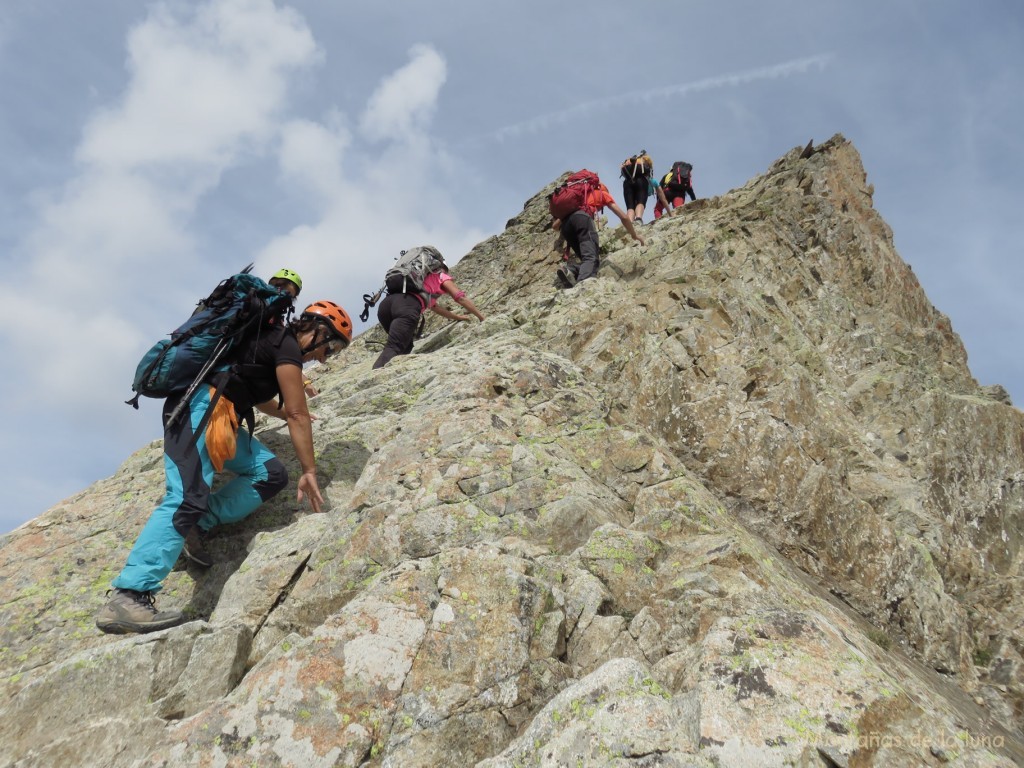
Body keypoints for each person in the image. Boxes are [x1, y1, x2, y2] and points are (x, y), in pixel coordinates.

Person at [96, 290, 353, 635]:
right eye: (331, 346)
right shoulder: (287, 346)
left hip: (221, 418)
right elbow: (294, 412)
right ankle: (128, 596)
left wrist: (301, 414)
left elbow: (263, 401)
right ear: (318, 330)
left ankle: (197, 523)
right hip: (198, 409)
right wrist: (309, 469)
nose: (325, 358)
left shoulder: (269, 344)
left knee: (270, 473)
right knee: (185, 496)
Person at [372, 248, 485, 369]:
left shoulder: (418, 281)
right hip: (407, 306)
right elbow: (459, 297)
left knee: (406, 346)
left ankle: (390, 372)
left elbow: (436, 308)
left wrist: (457, 317)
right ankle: (374, 378)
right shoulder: (441, 276)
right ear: (442, 268)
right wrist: (481, 317)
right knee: (394, 347)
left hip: (386, 306)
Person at [552, 182, 645, 288]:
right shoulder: (602, 193)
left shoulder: (579, 198)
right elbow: (623, 217)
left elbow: (555, 226)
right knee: (591, 258)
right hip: (582, 220)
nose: (600, 209)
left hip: (566, 227)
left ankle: (570, 270)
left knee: (588, 260)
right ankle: (583, 286)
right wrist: (634, 235)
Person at [620, 151, 654, 224]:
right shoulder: (645, 159)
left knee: (630, 206)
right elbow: (649, 170)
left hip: (627, 181)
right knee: (641, 201)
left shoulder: (628, 160)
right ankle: (638, 219)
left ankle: (629, 223)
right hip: (641, 180)